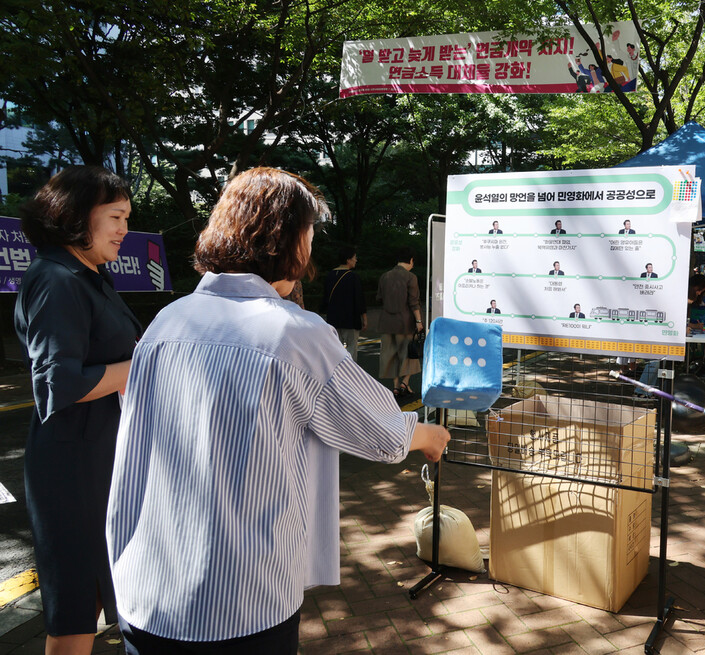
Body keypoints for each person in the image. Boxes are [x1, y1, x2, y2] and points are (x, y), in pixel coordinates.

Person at [105, 168, 450, 654]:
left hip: (146, 587)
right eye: (308, 232)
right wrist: (429, 436)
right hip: (239, 602)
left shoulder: (167, 321)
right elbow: (381, 432)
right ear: (290, 240)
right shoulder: (295, 334)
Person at [14, 166, 142, 654]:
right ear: (73, 216)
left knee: (86, 598)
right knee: (74, 604)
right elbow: (57, 384)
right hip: (71, 466)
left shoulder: (85, 274)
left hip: (96, 457)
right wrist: (141, 365)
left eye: (127, 217)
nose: (123, 229)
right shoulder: (56, 279)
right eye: (114, 216)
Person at [377, 246, 423, 397]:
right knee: (409, 355)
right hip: (405, 322)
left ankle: (396, 386)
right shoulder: (411, 277)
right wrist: (419, 321)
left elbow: (379, 298)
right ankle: (405, 382)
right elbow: (413, 302)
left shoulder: (385, 276)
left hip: (386, 322)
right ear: (410, 260)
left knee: (391, 355)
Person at [319, 245, 367, 362]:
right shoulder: (353, 277)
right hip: (351, 320)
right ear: (348, 260)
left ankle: (337, 373)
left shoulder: (329, 276)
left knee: (336, 349)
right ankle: (350, 373)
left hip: (333, 320)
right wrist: (364, 318)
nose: (356, 260)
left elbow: (325, 298)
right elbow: (359, 299)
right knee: (351, 349)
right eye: (354, 257)